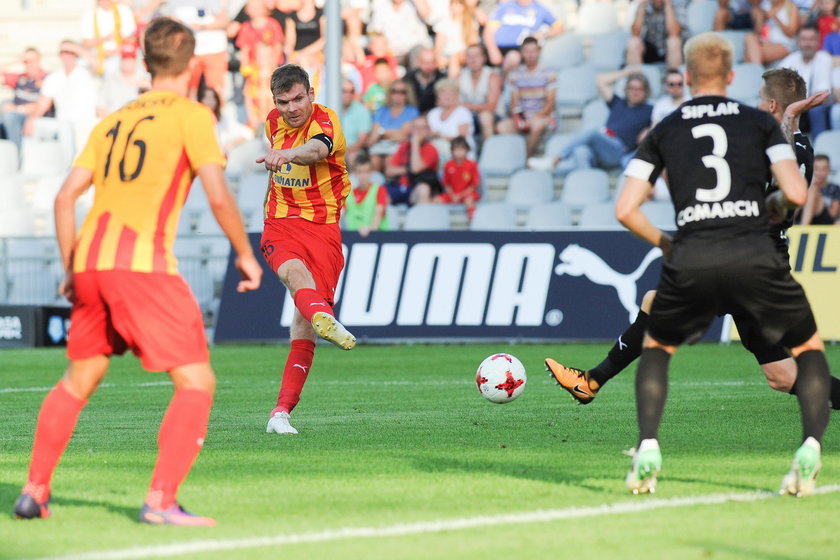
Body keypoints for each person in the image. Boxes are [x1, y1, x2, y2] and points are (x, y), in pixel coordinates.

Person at [12, 17, 262, 524]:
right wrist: (244, 253)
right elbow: (216, 192)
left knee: (78, 380)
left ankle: (33, 492)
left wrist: (69, 266)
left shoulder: (113, 120)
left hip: (90, 262)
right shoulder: (192, 115)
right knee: (196, 382)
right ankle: (161, 502)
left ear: (145, 64)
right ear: (192, 64)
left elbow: (64, 198)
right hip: (142, 266)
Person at [613, 32, 829, 496]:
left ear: (688, 77)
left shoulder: (667, 127)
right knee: (807, 353)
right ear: (731, 76)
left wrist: (667, 244)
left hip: (696, 254)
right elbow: (793, 194)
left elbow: (625, 207)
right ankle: (809, 448)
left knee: (659, 348)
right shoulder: (756, 123)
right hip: (756, 256)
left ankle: (648, 445)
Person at [547, 69, 839, 410]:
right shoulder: (793, 146)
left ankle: (591, 382)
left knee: (658, 303)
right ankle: (591, 382)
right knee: (781, 375)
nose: (757, 104)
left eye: (761, 98)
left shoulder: (786, 148)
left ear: (772, 104)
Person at [257, 63, 357, 436]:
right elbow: (275, 172)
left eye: (298, 98)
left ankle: (280, 413)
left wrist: (286, 154)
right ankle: (322, 315)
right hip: (280, 224)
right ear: (275, 102)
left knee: (303, 322)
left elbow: (316, 152)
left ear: (311, 95)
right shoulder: (272, 122)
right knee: (292, 272)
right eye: (283, 101)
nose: (291, 107)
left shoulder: (326, 123)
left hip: (323, 229)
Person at [551, 66, 652, 171]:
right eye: (631, 88)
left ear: (645, 91)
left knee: (593, 132)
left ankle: (559, 157)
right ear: (626, 89)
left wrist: (649, 130)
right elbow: (600, 80)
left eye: (639, 89)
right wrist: (627, 72)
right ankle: (587, 181)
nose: (635, 92)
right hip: (602, 145)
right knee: (580, 151)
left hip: (618, 150)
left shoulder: (650, 110)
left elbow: (658, 126)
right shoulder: (618, 102)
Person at [23, 40, 99, 170]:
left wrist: (75, 48)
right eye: (63, 52)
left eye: (70, 52)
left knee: (83, 156)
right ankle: (27, 168)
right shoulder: (54, 77)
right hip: (63, 122)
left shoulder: (86, 72)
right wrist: (31, 119)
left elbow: (98, 64)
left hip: (85, 121)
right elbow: (43, 103)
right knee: (34, 127)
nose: (66, 55)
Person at [496, 37, 557, 158]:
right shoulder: (515, 74)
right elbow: (514, 103)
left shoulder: (549, 73)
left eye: (533, 51)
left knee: (537, 125)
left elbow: (550, 104)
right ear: (522, 53)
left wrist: (533, 118)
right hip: (523, 117)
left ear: (538, 51)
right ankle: (514, 156)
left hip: (542, 116)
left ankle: (525, 157)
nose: (530, 55)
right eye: (527, 51)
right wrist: (519, 119)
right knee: (501, 127)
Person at [778, 24, 833, 138]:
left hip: (819, 108)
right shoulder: (790, 60)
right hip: (797, 108)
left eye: (811, 39)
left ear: (818, 41)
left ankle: (818, 151)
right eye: (804, 39)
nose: (807, 44)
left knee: (816, 110)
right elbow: (776, 84)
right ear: (798, 42)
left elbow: (821, 96)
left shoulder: (824, 58)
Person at [482, 0, 563, 68]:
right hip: (498, 49)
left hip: (521, 50)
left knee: (513, 57)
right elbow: (489, 30)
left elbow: (559, 27)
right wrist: (493, 51)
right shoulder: (505, 6)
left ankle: (508, 85)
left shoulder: (540, 9)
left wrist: (543, 34)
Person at [384, 115, 440, 205]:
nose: (419, 131)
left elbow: (415, 168)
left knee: (423, 189)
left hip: (415, 189)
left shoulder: (431, 149)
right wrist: (407, 169)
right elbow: (389, 171)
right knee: (380, 192)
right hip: (399, 186)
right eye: (416, 128)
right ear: (411, 129)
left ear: (428, 130)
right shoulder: (404, 146)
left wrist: (415, 143)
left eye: (422, 128)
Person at [366, 79, 420, 172]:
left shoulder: (412, 111)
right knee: (373, 161)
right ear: (389, 93)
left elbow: (403, 136)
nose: (398, 95)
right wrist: (390, 133)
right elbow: (372, 139)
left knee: (390, 160)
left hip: (399, 147)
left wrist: (382, 133)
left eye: (402, 92)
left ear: (407, 94)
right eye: (394, 91)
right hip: (380, 146)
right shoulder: (382, 111)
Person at [0, 47, 47, 153]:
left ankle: (15, 154)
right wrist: (17, 60)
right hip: (15, 113)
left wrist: (17, 109)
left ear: (39, 61)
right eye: (26, 61)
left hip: (33, 117)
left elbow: (42, 105)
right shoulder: (20, 77)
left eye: (33, 61)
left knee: (9, 116)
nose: (29, 64)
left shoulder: (47, 78)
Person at [458, 44, 502, 144]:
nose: (473, 60)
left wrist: (465, 105)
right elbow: (455, 102)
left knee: (485, 116)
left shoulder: (492, 76)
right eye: (469, 56)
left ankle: (489, 151)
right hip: (468, 115)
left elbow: (491, 106)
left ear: (484, 58)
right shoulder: (460, 76)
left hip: (493, 117)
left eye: (476, 56)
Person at [80, 0, 138, 76]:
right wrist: (105, 39)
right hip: (96, 56)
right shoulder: (89, 14)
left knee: (114, 65)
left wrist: (117, 50)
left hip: (119, 56)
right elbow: (85, 43)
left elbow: (132, 38)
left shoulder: (123, 11)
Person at [627, 0, 689, 69]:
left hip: (670, 50)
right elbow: (635, 33)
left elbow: (674, 32)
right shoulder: (646, 5)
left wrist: (668, 5)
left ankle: (674, 77)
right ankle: (635, 77)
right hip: (652, 49)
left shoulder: (677, 5)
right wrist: (642, 6)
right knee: (633, 42)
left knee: (673, 42)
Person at [96, 42, 151, 117]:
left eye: (130, 58)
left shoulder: (146, 79)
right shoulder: (110, 79)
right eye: (125, 58)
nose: (127, 62)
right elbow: (100, 107)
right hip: (115, 123)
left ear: (135, 60)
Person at [426, 79, 476, 159]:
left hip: (458, 152)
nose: (447, 96)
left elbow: (461, 138)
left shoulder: (463, 112)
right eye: (444, 93)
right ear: (438, 96)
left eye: (451, 93)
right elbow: (427, 133)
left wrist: (440, 136)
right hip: (436, 151)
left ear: (457, 96)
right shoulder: (433, 113)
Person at [344, 152, 390, 236]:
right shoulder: (349, 193)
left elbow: (378, 214)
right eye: (360, 172)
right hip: (353, 238)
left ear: (371, 172)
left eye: (366, 172)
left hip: (375, 237)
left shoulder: (379, 190)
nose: (363, 176)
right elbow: (340, 214)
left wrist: (370, 228)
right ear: (355, 173)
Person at [434, 136, 480, 219]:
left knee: (469, 200)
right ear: (452, 151)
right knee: (435, 201)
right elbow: (446, 184)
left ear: (467, 150)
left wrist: (460, 196)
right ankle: (438, 221)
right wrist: (453, 195)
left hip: (467, 194)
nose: (459, 152)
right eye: (456, 149)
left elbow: (474, 186)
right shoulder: (448, 165)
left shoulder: (472, 165)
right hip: (452, 194)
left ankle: (472, 220)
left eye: (461, 149)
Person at [744, 0, 800, 66]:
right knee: (749, 37)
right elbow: (758, 33)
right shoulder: (765, 6)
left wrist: (776, 18)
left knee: (749, 55)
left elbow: (791, 33)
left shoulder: (791, 7)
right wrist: (760, 18)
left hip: (784, 45)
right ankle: (757, 70)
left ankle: (756, 71)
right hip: (766, 42)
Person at [339, 79, 373, 165]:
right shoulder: (329, 107)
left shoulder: (362, 110)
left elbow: (362, 140)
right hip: (332, 150)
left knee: (354, 158)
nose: (348, 94)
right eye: (344, 91)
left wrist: (345, 152)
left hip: (353, 151)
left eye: (352, 91)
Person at [405, 47, 448, 115]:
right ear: (418, 62)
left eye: (432, 62)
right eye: (424, 63)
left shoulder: (443, 79)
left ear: (436, 62)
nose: (428, 66)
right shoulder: (409, 78)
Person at [800, 154, 840, 223]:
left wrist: (817, 196)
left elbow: (833, 214)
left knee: (811, 190)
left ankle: (803, 228)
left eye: (823, 169)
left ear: (829, 169)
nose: (820, 173)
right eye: (817, 169)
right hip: (807, 217)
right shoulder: (808, 187)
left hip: (825, 220)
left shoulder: (835, 188)